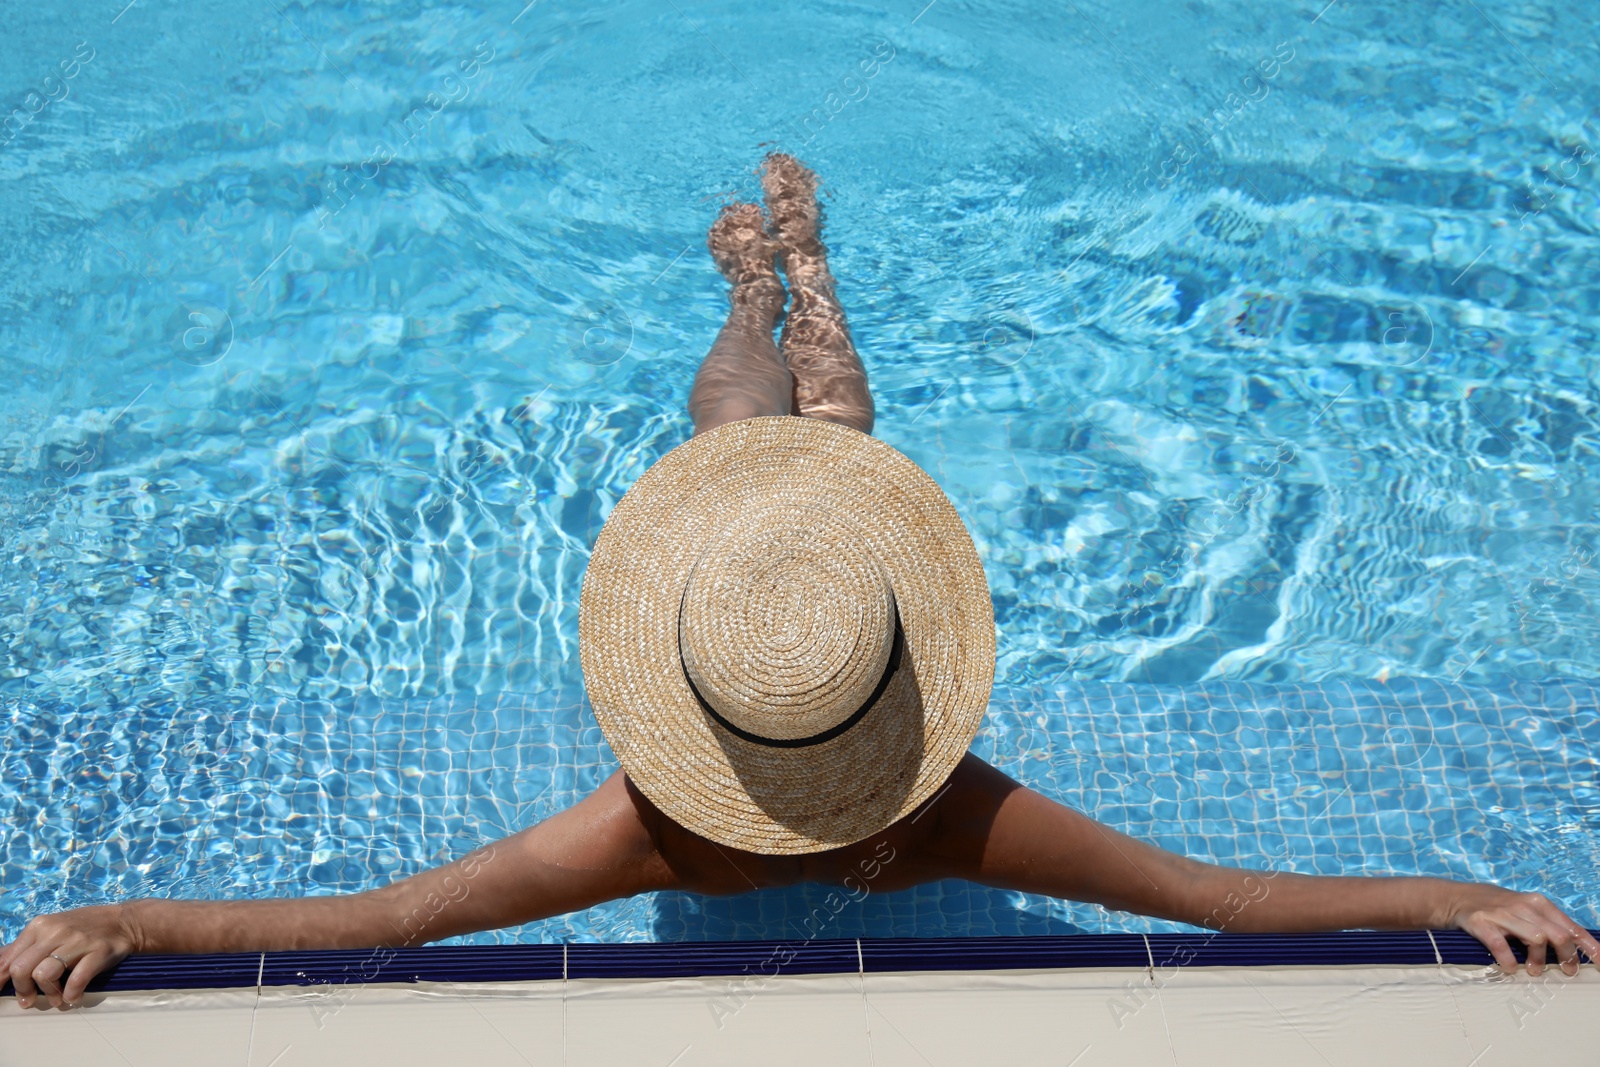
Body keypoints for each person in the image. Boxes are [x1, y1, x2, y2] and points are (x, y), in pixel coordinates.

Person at [4, 154, 1595, 1012]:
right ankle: (772, 278)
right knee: (784, 421)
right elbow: (1218, 899)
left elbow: (393, 919)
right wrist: (120, 921)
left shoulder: (653, 827)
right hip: (759, 582)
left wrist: (1464, 902)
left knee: (786, 422)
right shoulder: (940, 806)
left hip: (777, 588)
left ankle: (786, 279)